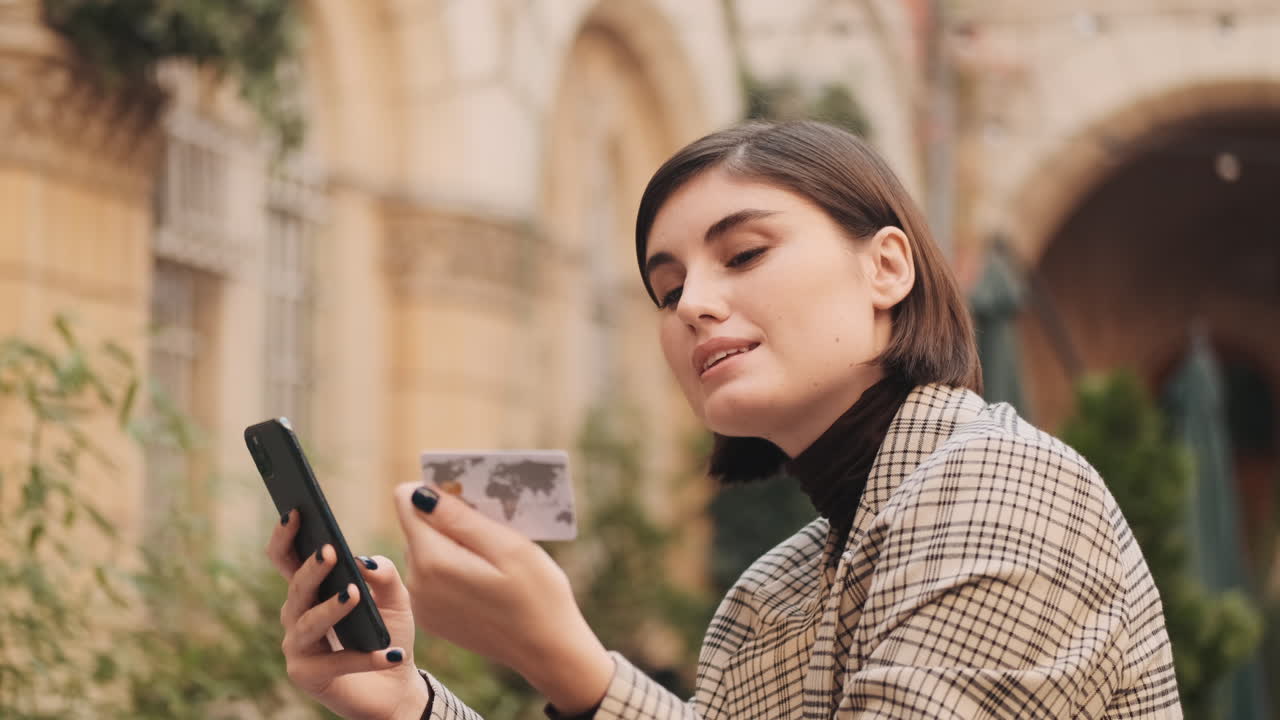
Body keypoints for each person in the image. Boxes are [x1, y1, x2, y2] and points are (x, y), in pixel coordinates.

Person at [265, 121, 1182, 719]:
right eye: (666, 289)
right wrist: (411, 703)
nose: (694, 303)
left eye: (743, 253)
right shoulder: (770, 596)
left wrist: (572, 663)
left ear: (887, 269)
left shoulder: (1001, 483)